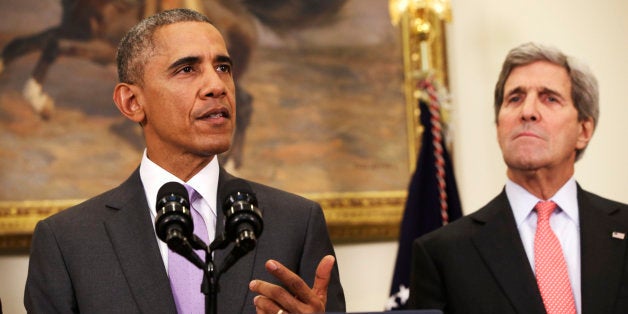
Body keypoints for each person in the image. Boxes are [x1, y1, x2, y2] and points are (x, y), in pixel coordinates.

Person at [23, 8, 345, 314]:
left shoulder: (297, 224)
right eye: (187, 69)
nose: (217, 86)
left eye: (223, 68)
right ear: (132, 102)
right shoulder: (67, 242)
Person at [408, 42, 628, 314]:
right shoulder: (442, 253)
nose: (528, 111)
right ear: (499, 125)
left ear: (584, 130)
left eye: (549, 98)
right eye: (514, 98)